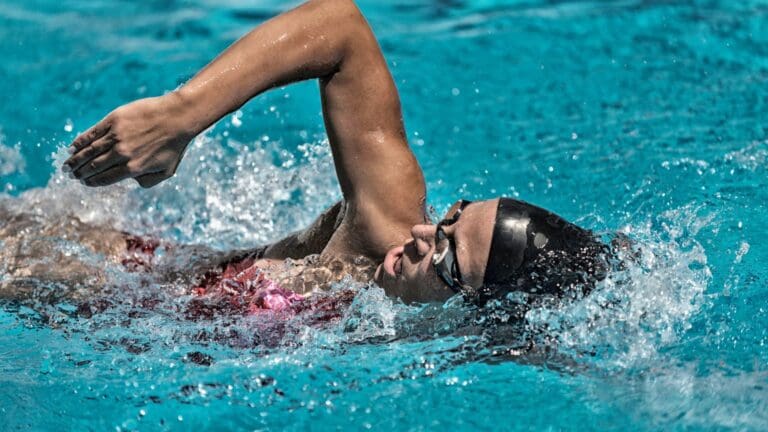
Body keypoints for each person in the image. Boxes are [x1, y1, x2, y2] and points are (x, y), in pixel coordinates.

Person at [55, 0, 607, 311]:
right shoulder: (385, 227)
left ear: (473, 310)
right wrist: (180, 115)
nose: (423, 235)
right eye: (451, 218)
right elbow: (341, 28)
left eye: (446, 258)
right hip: (98, 275)